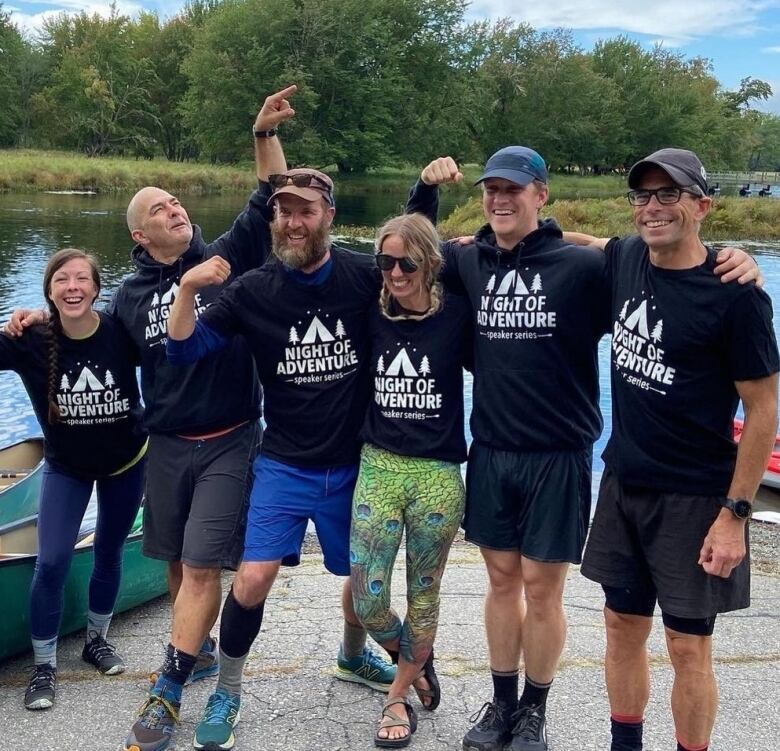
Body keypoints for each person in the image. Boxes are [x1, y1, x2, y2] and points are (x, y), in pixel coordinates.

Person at [405, 149, 763, 751]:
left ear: (541, 193)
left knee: (598, 609)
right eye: (491, 189)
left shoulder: (595, 270)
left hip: (571, 454)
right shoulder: (478, 259)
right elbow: (410, 258)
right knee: (532, 593)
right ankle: (503, 705)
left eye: (514, 190)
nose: (500, 199)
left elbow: (762, 405)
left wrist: (736, 256)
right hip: (506, 450)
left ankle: (535, 713)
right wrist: (427, 193)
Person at [163, 144, 429, 748]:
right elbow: (184, 351)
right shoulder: (254, 290)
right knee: (253, 578)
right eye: (282, 211)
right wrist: (186, 291)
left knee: (364, 584)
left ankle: (354, 654)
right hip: (283, 461)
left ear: (328, 215)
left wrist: (432, 202)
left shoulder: (365, 275)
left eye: (304, 210)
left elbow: (422, 274)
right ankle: (229, 690)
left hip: (356, 460)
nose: (291, 221)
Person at [574, 148, 779, 751]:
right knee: (620, 626)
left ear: (701, 206)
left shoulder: (736, 296)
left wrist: (735, 516)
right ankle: (625, 744)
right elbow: (591, 244)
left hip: (696, 498)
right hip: (624, 483)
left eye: (670, 195)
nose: (653, 207)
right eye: (643, 196)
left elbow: (763, 412)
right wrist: (487, 238)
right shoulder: (629, 259)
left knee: (688, 645)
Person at [0, 248, 148, 710]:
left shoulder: (120, 331)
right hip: (66, 468)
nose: (72, 287)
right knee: (52, 561)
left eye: (82, 278)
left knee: (108, 552)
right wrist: (14, 321)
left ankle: (95, 642)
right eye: (62, 280)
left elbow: (174, 355)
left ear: (97, 289)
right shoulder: (31, 339)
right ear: (49, 292)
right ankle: (43, 666)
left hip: (127, 463)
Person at [350, 213, 471, 748]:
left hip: (438, 475)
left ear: (431, 262)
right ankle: (416, 660)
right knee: (367, 597)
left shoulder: (458, 316)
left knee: (425, 593)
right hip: (379, 465)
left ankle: (396, 696)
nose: (395, 273)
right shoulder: (368, 313)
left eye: (407, 262)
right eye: (385, 262)